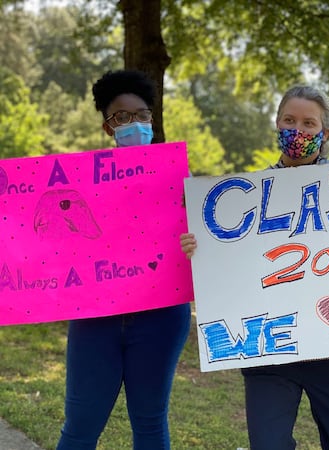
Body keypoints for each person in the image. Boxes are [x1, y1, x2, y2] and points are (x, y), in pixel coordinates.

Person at [180, 85, 329, 450]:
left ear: (325, 133)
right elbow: (233, 265)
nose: (297, 130)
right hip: (270, 346)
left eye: (308, 123)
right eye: (289, 120)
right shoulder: (245, 198)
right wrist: (201, 248)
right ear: (277, 125)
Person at [57, 70, 191, 450]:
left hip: (161, 315)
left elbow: (203, 241)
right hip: (95, 316)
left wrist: (193, 240)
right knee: (80, 425)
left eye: (142, 115)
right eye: (122, 117)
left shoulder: (179, 176)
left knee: (150, 423)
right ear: (107, 126)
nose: (134, 123)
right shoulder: (80, 180)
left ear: (152, 119)